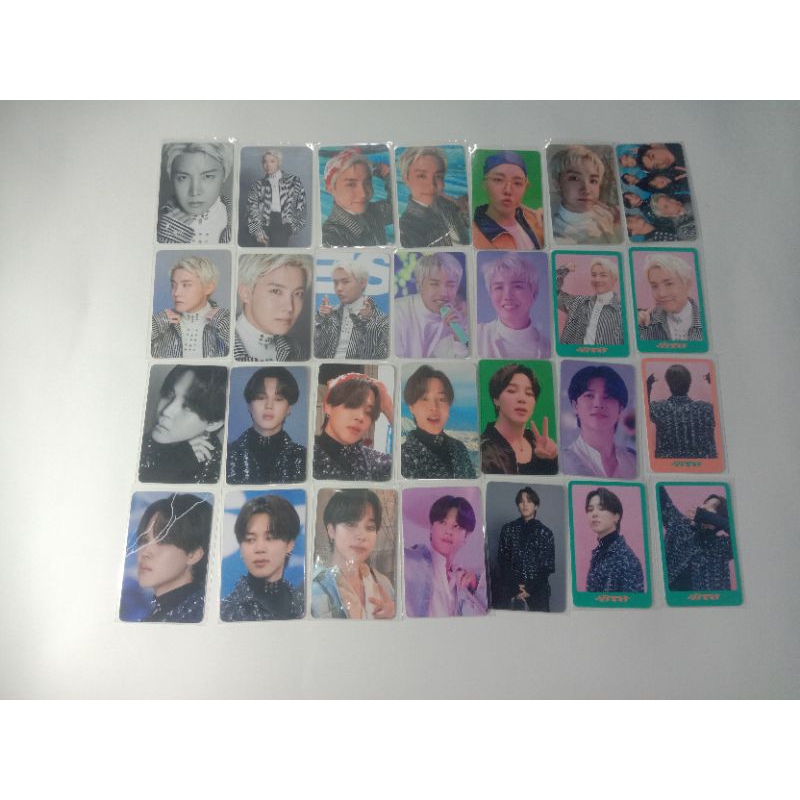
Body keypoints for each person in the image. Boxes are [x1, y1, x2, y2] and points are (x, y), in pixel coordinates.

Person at [125, 493, 212, 622]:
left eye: (162, 541)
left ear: (193, 554)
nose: (145, 552)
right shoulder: (165, 613)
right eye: (144, 540)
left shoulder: (196, 616)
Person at [311, 489, 395, 619]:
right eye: (351, 524)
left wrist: (394, 618)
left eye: (370, 527)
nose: (361, 536)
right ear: (331, 530)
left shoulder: (383, 584)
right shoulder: (313, 588)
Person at [220, 494, 305, 621]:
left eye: (270, 538)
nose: (259, 548)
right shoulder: (227, 612)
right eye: (250, 539)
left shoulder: (301, 604)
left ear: (289, 545)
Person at [139, 365, 227, 483]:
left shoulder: (219, 473)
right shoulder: (140, 444)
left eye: (188, 407)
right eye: (169, 395)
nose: (166, 411)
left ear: (213, 423)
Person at [404, 494, 487, 617]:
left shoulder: (463, 581)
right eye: (443, 522)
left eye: (456, 526)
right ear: (431, 527)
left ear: (466, 536)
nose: (448, 531)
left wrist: (476, 584)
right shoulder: (410, 561)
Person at [226, 367, 306, 484]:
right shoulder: (227, 454)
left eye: (278, 399)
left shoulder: (303, 457)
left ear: (289, 408)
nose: (269, 406)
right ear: (249, 405)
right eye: (261, 398)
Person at [480, 363, 558, 475]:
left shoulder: (536, 443)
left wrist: (549, 460)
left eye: (529, 393)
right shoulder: (484, 450)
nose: (522, 399)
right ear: (496, 400)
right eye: (512, 391)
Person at [313, 373, 393, 481]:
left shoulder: (375, 462)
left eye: (369, 412)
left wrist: (389, 409)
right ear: (328, 406)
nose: (361, 417)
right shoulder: (303, 455)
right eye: (352, 405)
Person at [401, 365, 476, 479]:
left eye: (441, 399)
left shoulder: (459, 449)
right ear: (411, 407)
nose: (434, 407)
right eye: (425, 399)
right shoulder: (402, 456)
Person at [562, 365, 636, 479]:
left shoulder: (634, 459)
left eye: (607, 397)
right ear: (575, 406)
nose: (598, 404)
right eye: (589, 396)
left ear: (620, 410)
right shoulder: (562, 462)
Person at [234, 253, 311, 361]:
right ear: (246, 293)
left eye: (298, 294)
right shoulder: (216, 343)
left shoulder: (297, 350)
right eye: (276, 291)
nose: (290, 307)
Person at [151, 255, 230, 358]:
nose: (176, 293)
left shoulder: (228, 321)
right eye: (173, 285)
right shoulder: (159, 323)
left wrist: (224, 324)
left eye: (186, 285)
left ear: (208, 288)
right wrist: (155, 324)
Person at [394, 253, 469, 358]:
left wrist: (458, 337)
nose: (443, 293)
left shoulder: (459, 320)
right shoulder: (397, 311)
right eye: (434, 284)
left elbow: (461, 362)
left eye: (450, 285)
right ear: (419, 285)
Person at [659, 485, 732, 591]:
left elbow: (741, 537)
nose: (703, 507)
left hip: (706, 600)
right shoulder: (680, 526)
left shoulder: (722, 546)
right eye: (705, 503)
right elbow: (660, 496)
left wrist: (709, 517)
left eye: (712, 506)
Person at [493, 487, 555, 612]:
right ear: (518, 506)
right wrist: (515, 586)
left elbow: (547, 567)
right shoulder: (508, 529)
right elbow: (502, 560)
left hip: (537, 589)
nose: (525, 505)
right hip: (510, 586)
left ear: (536, 506)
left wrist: (529, 588)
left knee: (541, 622)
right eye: (521, 502)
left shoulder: (545, 533)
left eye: (529, 501)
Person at [157, 142, 232, 244]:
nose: (195, 192)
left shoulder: (236, 217)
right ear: (171, 177)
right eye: (183, 178)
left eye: (208, 176)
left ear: (224, 175)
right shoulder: (155, 221)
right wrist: (167, 240)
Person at [476, 253, 549, 358]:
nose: (507, 296)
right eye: (499, 287)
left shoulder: (549, 348)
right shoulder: (477, 334)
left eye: (517, 286)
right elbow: (459, 341)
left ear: (534, 293)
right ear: (490, 294)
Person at [314, 259, 389, 359]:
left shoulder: (381, 319)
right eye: (336, 283)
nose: (339, 288)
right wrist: (321, 320)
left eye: (345, 282)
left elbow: (378, 357)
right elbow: (314, 351)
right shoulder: (329, 314)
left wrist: (369, 324)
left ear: (362, 283)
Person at [397, 146, 470, 247]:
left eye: (438, 176)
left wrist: (464, 207)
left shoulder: (449, 205)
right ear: (406, 180)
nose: (432, 185)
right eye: (422, 176)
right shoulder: (406, 228)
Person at [472, 150, 544, 250]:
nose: (508, 190)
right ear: (484, 184)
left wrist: (550, 225)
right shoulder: (473, 235)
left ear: (525, 187)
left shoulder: (535, 222)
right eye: (498, 180)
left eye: (517, 183)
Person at [549, 145, 621, 244]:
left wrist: (617, 222)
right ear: (557, 183)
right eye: (574, 178)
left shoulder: (604, 212)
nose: (587, 190)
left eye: (593, 181)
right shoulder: (557, 235)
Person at [321, 148, 393, 246]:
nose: (363, 194)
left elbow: (394, 208)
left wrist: (388, 175)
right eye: (351, 184)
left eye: (367, 183)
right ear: (331, 189)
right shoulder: (330, 238)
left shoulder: (373, 212)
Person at [647, 366, 717, 459]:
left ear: (669, 384)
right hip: (704, 465)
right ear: (689, 383)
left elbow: (642, 410)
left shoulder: (660, 409)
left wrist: (648, 384)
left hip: (668, 465)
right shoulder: (706, 409)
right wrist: (713, 383)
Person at [584, 487, 644, 593]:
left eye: (601, 508)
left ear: (616, 517)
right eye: (590, 509)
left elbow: (632, 602)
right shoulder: (599, 553)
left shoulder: (626, 559)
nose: (594, 514)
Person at [246, 148, 307, 247]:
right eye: (265, 162)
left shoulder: (294, 181)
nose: (268, 165)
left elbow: (301, 206)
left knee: (279, 253)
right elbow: (251, 210)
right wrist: (257, 231)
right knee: (259, 253)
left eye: (272, 161)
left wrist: (292, 228)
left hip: (282, 223)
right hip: (262, 223)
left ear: (279, 162)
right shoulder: (257, 185)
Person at [556, 257, 624, 346]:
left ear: (614, 279)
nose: (597, 279)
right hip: (570, 354)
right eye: (594, 275)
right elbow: (551, 291)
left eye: (603, 275)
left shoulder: (623, 312)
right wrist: (565, 269)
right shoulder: (578, 302)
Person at [637, 252, 704, 342]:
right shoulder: (643, 321)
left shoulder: (708, 319)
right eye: (654, 286)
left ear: (687, 284)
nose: (661, 293)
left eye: (669, 284)